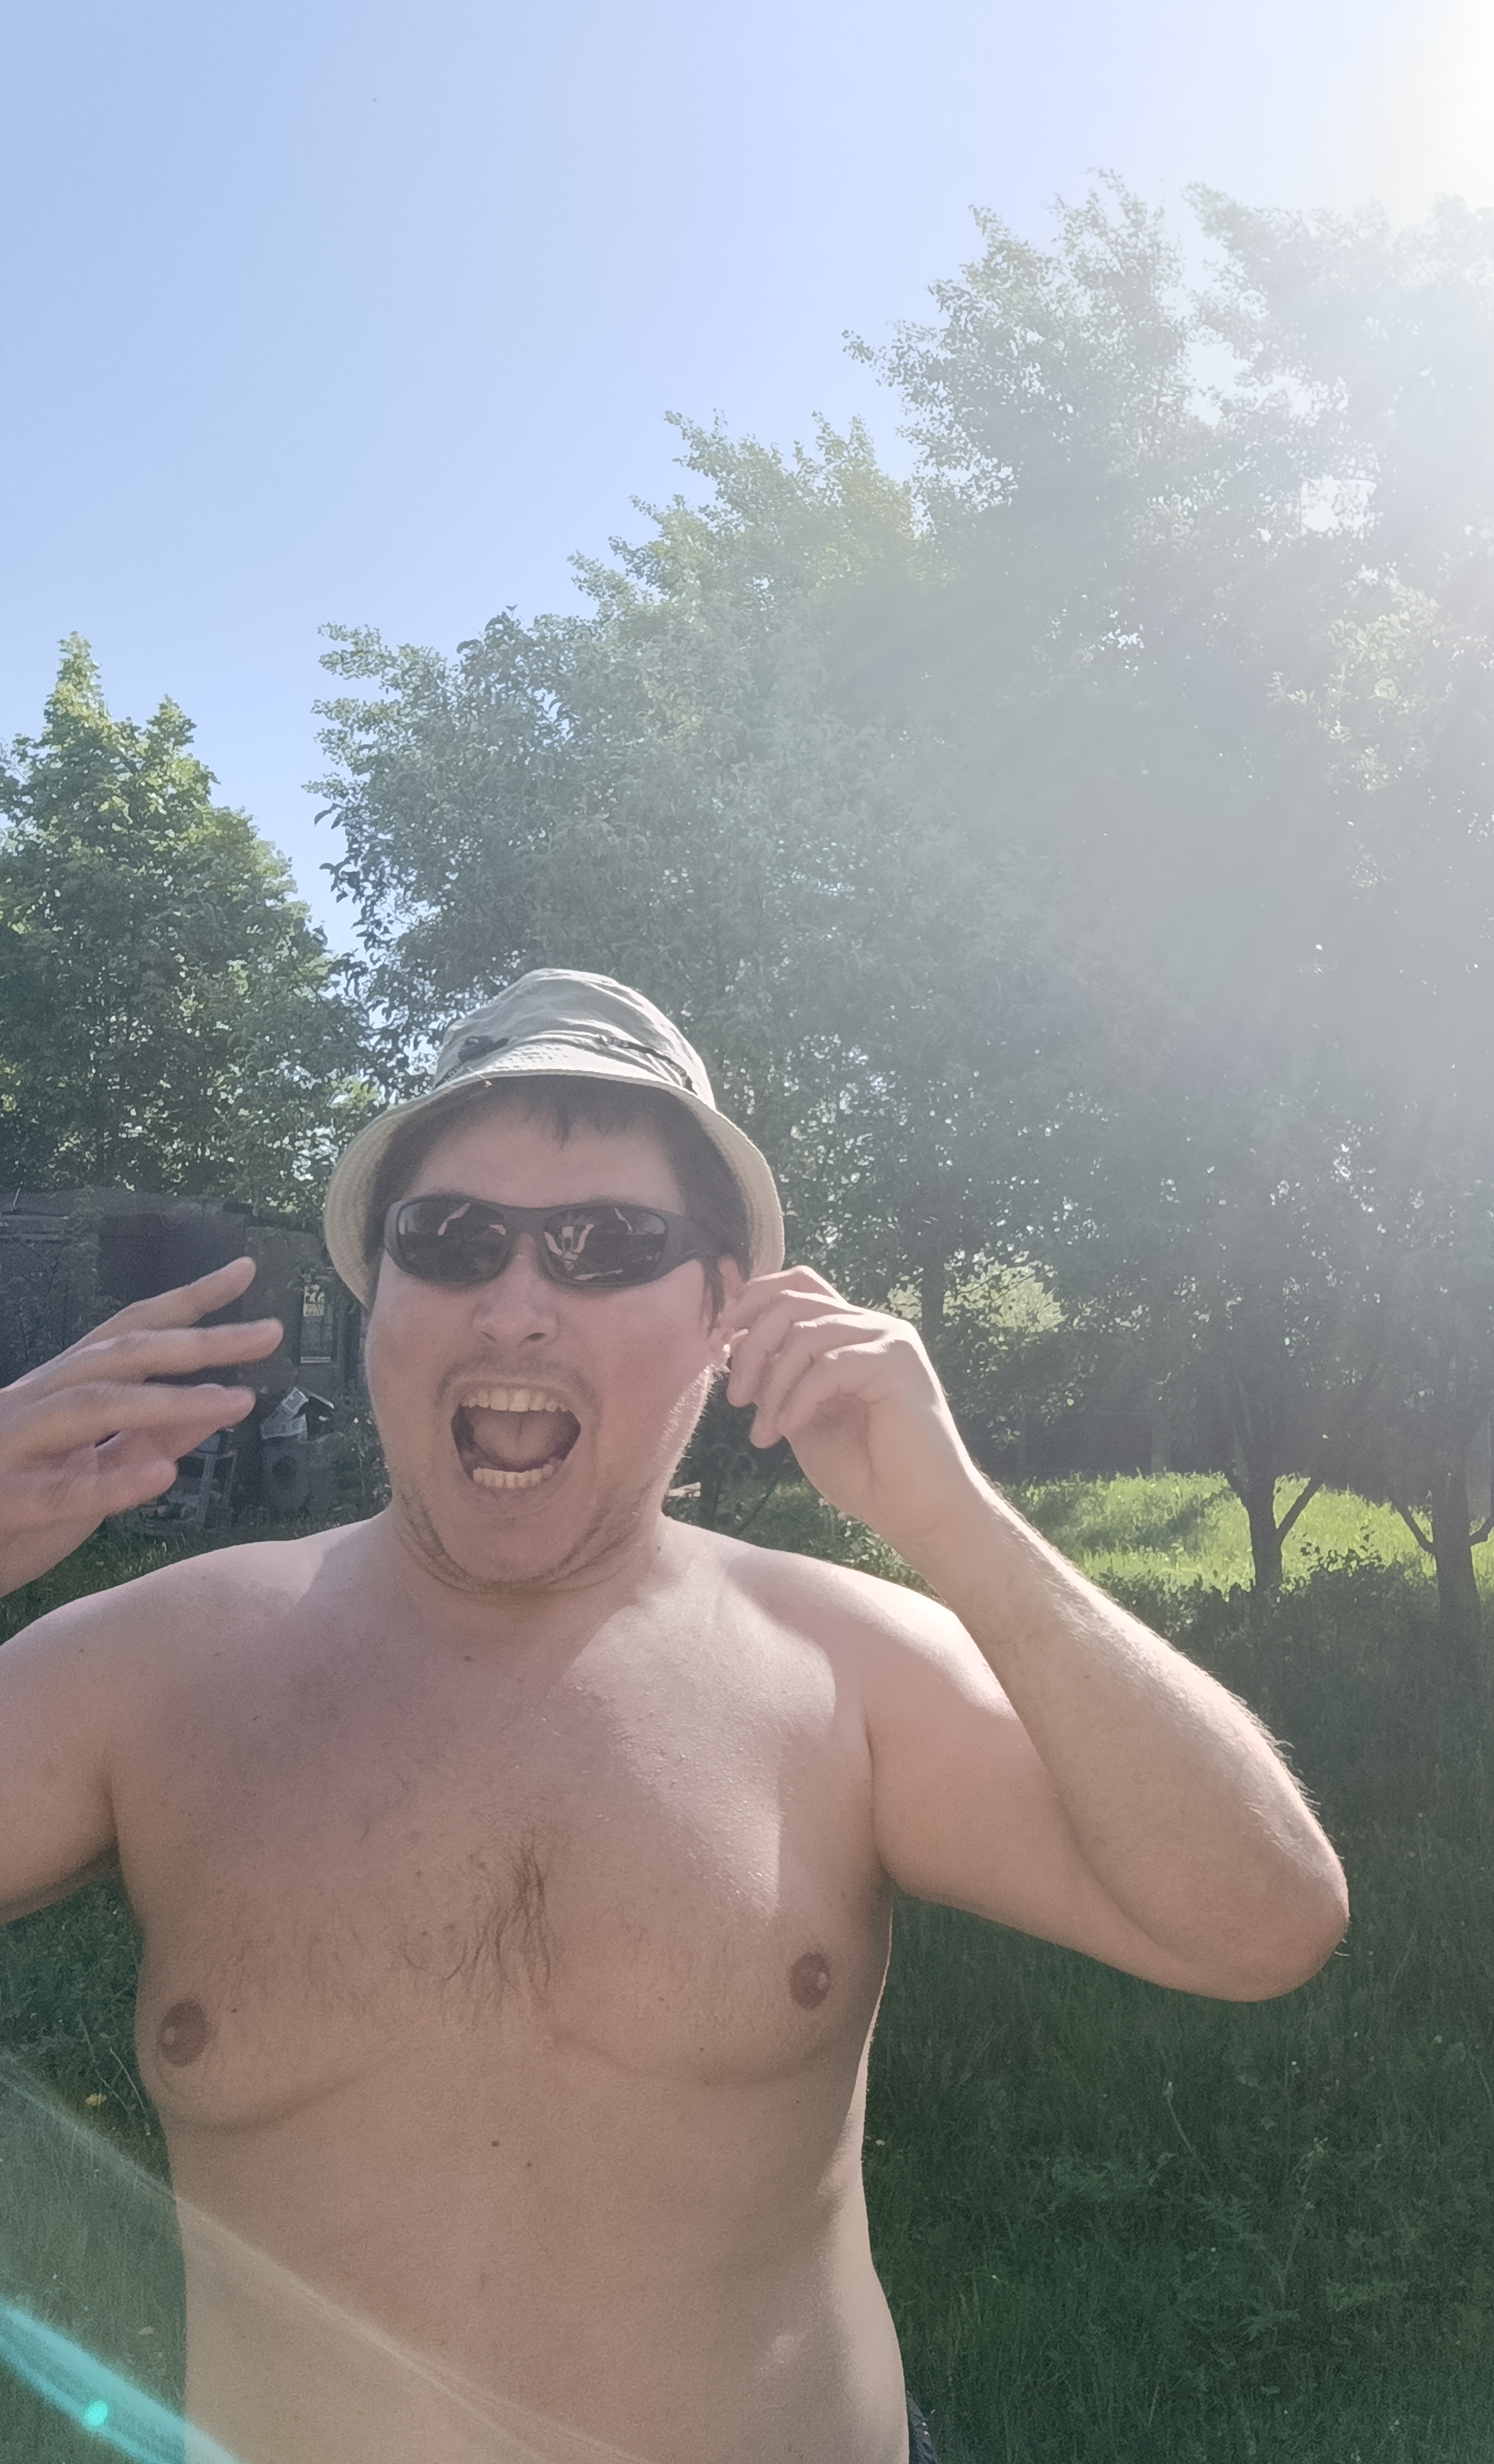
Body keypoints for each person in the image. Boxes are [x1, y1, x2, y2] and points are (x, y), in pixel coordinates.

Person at [0, 970, 1348, 2464]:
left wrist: (957, 1522)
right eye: (451, 1239)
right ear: (380, 1297)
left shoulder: (843, 1664)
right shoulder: (156, 1672)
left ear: (724, 1312)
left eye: (608, 1246)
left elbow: (1261, 1920)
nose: (517, 1304)